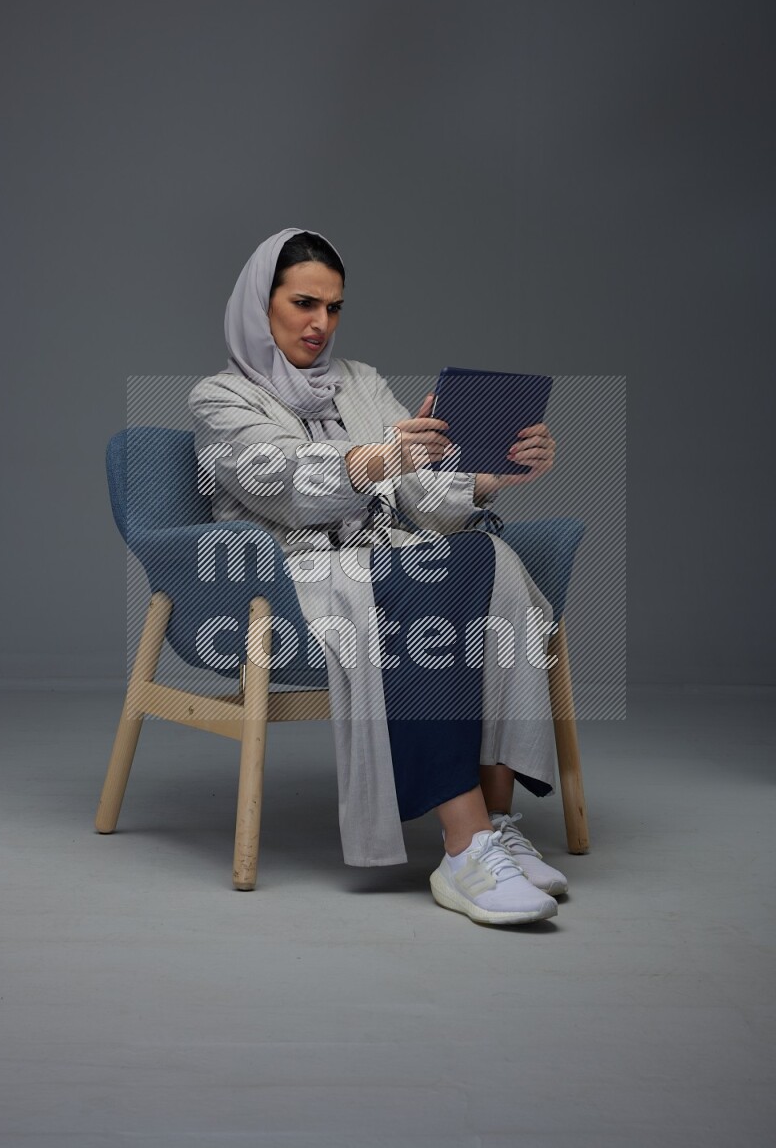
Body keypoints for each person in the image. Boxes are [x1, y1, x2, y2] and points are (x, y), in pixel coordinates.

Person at [188, 227, 568, 927]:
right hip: (295, 578)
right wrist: (377, 459)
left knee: (491, 559)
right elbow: (279, 482)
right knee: (423, 578)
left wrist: (485, 474)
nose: (319, 323)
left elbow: (418, 489)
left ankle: (497, 818)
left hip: (388, 554)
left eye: (333, 308)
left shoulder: (359, 381)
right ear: (257, 304)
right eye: (304, 303)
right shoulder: (218, 398)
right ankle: (466, 846)